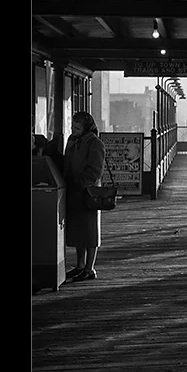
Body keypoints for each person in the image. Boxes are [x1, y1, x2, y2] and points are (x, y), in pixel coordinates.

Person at [63, 112, 107, 283]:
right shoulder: (73, 141)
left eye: (77, 128)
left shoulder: (95, 143)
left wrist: (80, 182)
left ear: (86, 128)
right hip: (74, 190)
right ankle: (80, 265)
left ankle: (90, 268)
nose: (74, 130)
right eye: (72, 127)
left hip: (89, 192)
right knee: (78, 230)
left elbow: (95, 170)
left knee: (90, 231)